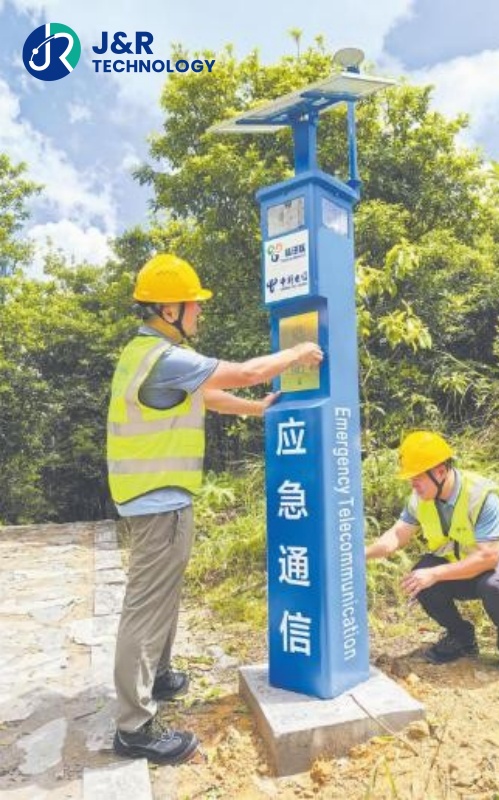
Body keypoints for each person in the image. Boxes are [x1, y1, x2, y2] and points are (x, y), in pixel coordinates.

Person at [106, 254, 324, 764]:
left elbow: (211, 396)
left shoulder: (146, 355)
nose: (199, 313)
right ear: (168, 308)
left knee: (162, 597)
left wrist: (256, 409)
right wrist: (296, 355)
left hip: (159, 498)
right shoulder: (163, 357)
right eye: (193, 304)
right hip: (159, 500)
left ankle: (157, 676)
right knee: (146, 605)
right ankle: (134, 728)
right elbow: (245, 371)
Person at [365, 431, 499, 682]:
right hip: (462, 568)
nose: (413, 484)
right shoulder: (420, 498)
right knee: (420, 579)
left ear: (441, 471)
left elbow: (488, 558)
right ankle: (461, 638)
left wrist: (434, 573)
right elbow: (397, 536)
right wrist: (361, 555)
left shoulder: (481, 495)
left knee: (494, 584)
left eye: (418, 477)